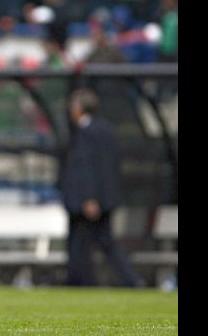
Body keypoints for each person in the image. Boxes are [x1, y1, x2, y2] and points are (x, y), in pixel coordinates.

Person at [60, 88, 140, 287]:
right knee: (81, 245)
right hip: (94, 199)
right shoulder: (103, 129)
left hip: (90, 201)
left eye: (73, 106)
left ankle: (130, 281)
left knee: (104, 244)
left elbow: (91, 168)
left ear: (80, 108)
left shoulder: (90, 131)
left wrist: (90, 197)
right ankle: (78, 281)